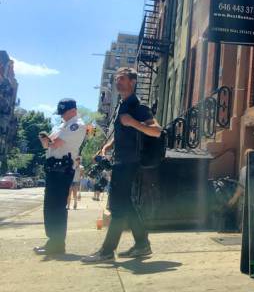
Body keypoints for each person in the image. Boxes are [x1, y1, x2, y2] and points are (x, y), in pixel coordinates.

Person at [82, 67, 162, 263]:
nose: (118, 82)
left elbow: (157, 131)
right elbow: (122, 132)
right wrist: (107, 146)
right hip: (120, 160)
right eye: (116, 79)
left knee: (118, 207)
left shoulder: (137, 106)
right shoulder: (122, 105)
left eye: (122, 79)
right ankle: (142, 245)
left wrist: (134, 122)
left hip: (129, 162)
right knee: (126, 204)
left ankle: (107, 251)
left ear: (132, 82)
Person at [33, 98, 87, 255]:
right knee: (50, 206)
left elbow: (55, 143)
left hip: (62, 169)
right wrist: (46, 140)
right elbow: (47, 145)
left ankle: (57, 243)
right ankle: (53, 241)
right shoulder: (62, 125)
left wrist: (49, 141)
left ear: (73, 110)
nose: (62, 116)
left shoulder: (77, 124)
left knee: (56, 207)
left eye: (64, 112)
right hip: (53, 168)